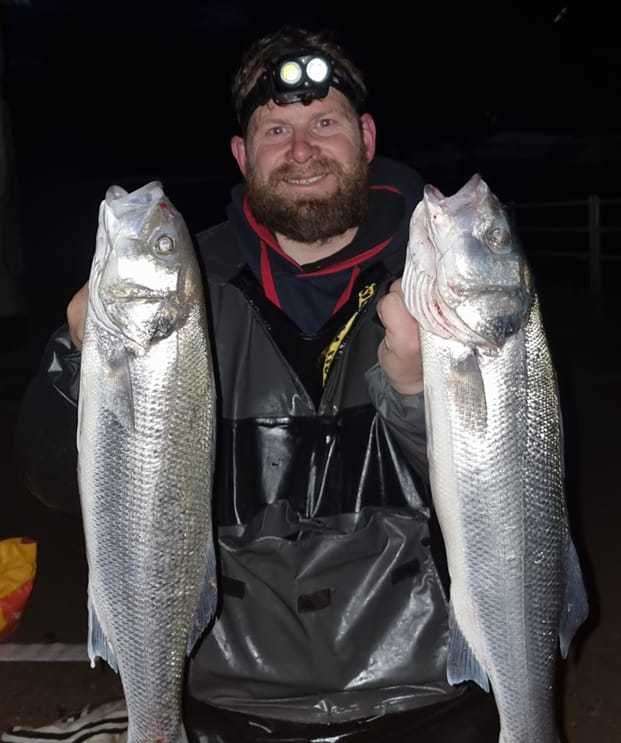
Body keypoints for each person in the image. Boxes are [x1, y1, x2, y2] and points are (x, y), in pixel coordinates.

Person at [16, 26, 500, 743]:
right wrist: (76, 359)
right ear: (242, 155)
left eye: (323, 123)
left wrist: (420, 397)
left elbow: (509, 505)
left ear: (365, 136)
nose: (300, 150)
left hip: (430, 690)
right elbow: (55, 481)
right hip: (226, 704)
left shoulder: (453, 284)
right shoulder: (186, 287)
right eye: (275, 129)